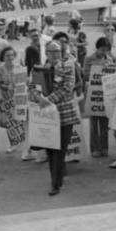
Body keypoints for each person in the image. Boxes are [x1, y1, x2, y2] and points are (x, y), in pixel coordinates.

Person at [32, 41, 80, 196]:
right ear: (46, 53)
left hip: (64, 115)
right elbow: (33, 87)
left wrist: (47, 100)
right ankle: (55, 179)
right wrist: (35, 96)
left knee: (60, 151)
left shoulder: (68, 67)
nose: (55, 55)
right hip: (46, 116)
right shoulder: (39, 68)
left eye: (57, 52)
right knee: (51, 151)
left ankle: (56, 184)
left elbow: (67, 89)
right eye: (51, 52)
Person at [83, 37, 114, 160]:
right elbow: (85, 75)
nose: (104, 52)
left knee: (104, 123)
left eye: (106, 50)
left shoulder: (110, 59)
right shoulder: (89, 59)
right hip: (94, 94)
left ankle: (104, 147)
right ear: (97, 48)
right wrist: (98, 69)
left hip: (105, 94)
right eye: (102, 49)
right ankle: (95, 148)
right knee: (94, 123)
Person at [0, 46, 30, 159]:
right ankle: (13, 143)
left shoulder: (19, 67)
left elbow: (25, 81)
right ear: (3, 57)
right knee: (9, 122)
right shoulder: (0, 69)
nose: (10, 57)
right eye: (7, 55)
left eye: (12, 55)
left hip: (18, 98)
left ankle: (23, 144)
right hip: (6, 98)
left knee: (20, 121)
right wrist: (6, 86)